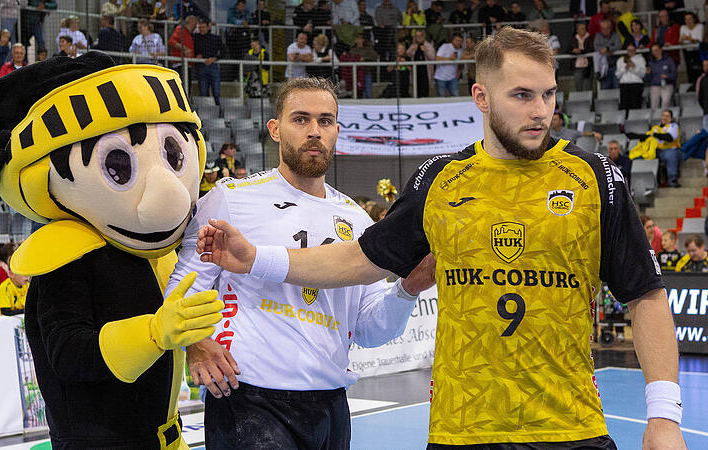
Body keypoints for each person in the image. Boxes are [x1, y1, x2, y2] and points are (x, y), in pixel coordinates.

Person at [196, 27, 686, 449]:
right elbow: (358, 260)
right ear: (481, 97)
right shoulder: (439, 179)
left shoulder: (594, 176)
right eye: (522, 95)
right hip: (463, 427)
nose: (541, 111)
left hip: (570, 424)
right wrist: (258, 258)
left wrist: (664, 415)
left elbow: (645, 293)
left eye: (549, 94)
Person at [169, 76, 435, 449]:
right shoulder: (230, 199)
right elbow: (183, 284)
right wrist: (195, 343)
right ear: (275, 129)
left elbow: (372, 330)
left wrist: (409, 288)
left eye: (325, 121)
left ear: (337, 131)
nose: (315, 131)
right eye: (301, 119)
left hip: (330, 406)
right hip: (248, 400)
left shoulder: (356, 219)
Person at [628, 110, 681, 186]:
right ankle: (644, 183)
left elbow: (669, 137)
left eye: (667, 116)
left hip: (670, 150)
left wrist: (655, 135)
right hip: (656, 150)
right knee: (641, 156)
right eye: (663, 115)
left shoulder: (673, 126)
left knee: (670, 155)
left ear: (671, 118)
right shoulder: (655, 127)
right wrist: (634, 135)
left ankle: (672, 179)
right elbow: (647, 136)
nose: (664, 118)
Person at [194, 19, 224, 106]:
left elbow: (223, 52)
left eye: (203, 27)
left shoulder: (215, 38)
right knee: (203, 92)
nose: (201, 29)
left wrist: (214, 58)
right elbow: (193, 50)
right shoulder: (196, 37)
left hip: (213, 66)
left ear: (208, 27)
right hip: (201, 67)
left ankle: (218, 111)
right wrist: (197, 56)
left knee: (216, 92)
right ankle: (205, 113)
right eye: (200, 27)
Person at [616, 43, 645, 110]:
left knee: (636, 105)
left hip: (636, 84)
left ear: (635, 50)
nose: (631, 52)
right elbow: (618, 75)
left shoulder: (640, 59)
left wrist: (634, 67)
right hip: (624, 84)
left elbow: (642, 74)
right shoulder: (620, 60)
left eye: (633, 50)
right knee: (624, 106)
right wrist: (625, 68)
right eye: (629, 50)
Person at [406, 29, 435, 98]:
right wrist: (412, 50)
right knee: (416, 91)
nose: (419, 37)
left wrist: (426, 51)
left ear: (423, 36)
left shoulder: (428, 45)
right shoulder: (413, 45)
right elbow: (407, 54)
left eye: (420, 36)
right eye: (417, 36)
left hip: (425, 72)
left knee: (425, 91)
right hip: (416, 72)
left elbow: (433, 58)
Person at [647, 43, 676, 109]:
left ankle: (665, 118)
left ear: (661, 50)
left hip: (667, 85)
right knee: (654, 106)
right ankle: (655, 119)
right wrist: (648, 73)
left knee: (665, 103)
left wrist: (667, 76)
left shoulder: (668, 60)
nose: (655, 53)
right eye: (653, 51)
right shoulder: (651, 63)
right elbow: (648, 79)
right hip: (654, 86)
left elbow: (674, 74)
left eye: (656, 50)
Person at [594, 19, 621, 89]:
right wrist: (604, 49)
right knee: (605, 88)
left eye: (607, 28)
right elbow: (596, 46)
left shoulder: (616, 35)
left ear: (611, 28)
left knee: (617, 87)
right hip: (604, 68)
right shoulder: (598, 36)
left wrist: (607, 48)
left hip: (615, 66)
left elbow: (618, 46)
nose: (605, 30)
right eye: (603, 28)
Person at [434, 33, 463, 97]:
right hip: (441, 77)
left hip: (453, 78)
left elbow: (461, 64)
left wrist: (457, 75)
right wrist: (450, 58)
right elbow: (437, 59)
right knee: (442, 98)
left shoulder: (460, 50)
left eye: (460, 41)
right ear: (453, 40)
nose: (459, 43)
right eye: (457, 40)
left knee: (456, 97)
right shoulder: (445, 46)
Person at [679, 12, 703, 83]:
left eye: (690, 19)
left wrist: (689, 39)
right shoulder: (683, 27)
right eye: (686, 19)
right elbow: (680, 40)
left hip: (698, 52)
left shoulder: (700, 26)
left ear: (694, 19)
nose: (688, 21)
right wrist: (690, 39)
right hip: (687, 52)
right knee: (690, 70)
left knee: (699, 69)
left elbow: (700, 40)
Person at [571, 22, 593, 91]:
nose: (584, 30)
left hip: (588, 66)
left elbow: (592, 48)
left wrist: (581, 51)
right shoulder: (573, 39)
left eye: (584, 28)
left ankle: (589, 101)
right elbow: (567, 49)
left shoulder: (590, 38)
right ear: (577, 30)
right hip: (577, 66)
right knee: (578, 87)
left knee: (588, 87)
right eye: (581, 29)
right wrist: (573, 51)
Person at [698, 59, 708, 132]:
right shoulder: (702, 80)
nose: (706, 67)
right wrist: (705, 106)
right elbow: (700, 97)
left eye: (707, 65)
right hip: (706, 112)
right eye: (704, 66)